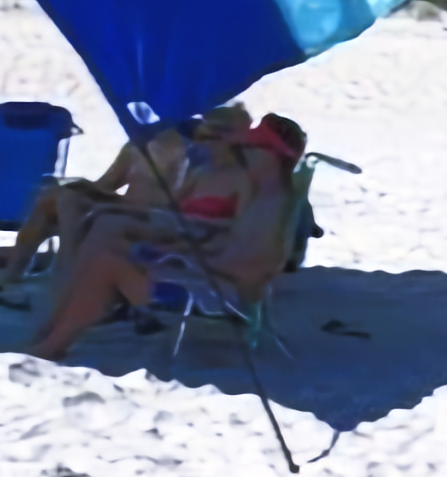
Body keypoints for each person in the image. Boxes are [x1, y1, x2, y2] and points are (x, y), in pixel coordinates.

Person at [24, 113, 308, 362]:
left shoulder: (272, 206)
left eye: (252, 147)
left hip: (215, 294)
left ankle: (54, 342)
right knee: (108, 250)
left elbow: (255, 267)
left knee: (107, 264)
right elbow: (233, 246)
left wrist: (186, 259)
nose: (244, 152)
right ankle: (56, 330)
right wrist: (181, 249)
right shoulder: (269, 198)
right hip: (206, 277)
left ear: (273, 157)